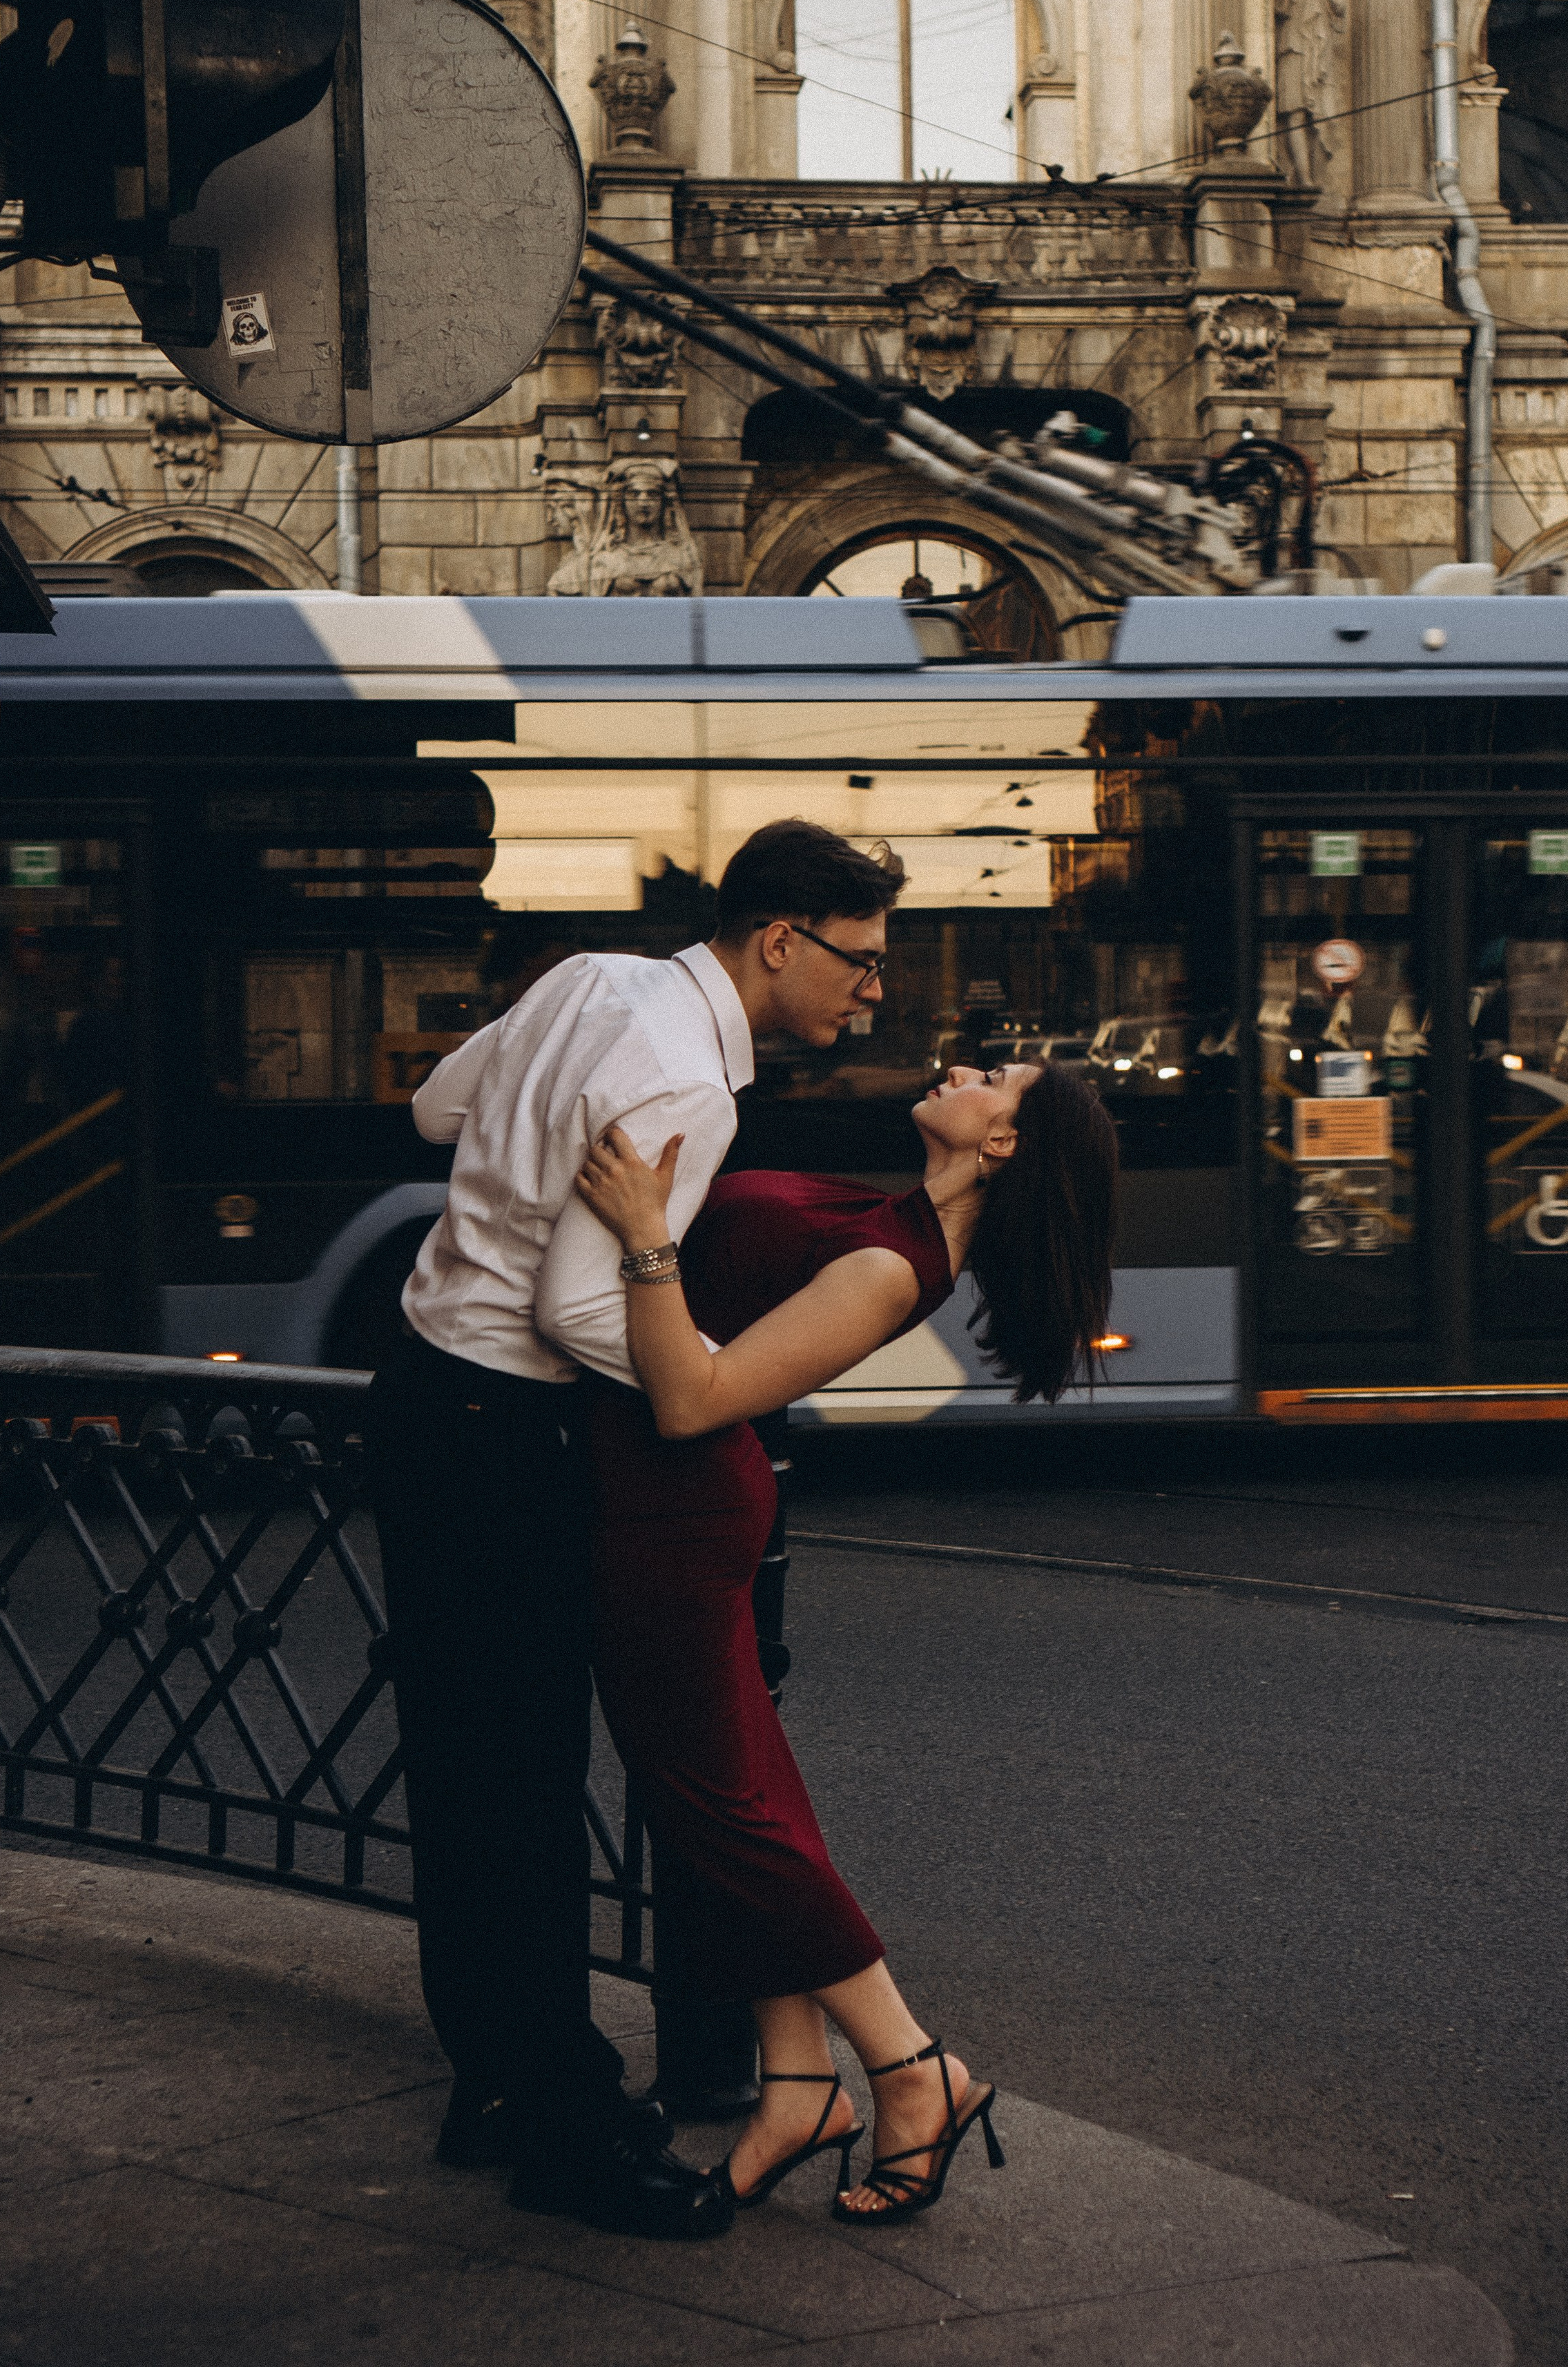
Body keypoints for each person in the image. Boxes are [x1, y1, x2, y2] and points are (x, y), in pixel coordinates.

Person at [362, 819, 907, 2240]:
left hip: (419, 1389)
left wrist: (529, 1152)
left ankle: (495, 2087)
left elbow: (436, 1108)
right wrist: (714, 1378)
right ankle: (565, 2130)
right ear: (778, 941)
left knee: (472, 1775)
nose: (873, 992)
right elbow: (574, 1310)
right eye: (859, 961)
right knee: (529, 1786)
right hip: (502, 1424)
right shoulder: (686, 1078)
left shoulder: (594, 978)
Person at [560, 1054, 1118, 2223]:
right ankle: (801, 2083)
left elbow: (694, 1399)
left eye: (997, 1076)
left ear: (1003, 1143)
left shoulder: (889, 1266)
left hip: (675, 1516)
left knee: (721, 1812)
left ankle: (913, 2070)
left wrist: (646, 1236)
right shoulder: (885, 1216)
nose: (962, 1066)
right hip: (661, 1508)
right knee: (737, 1801)